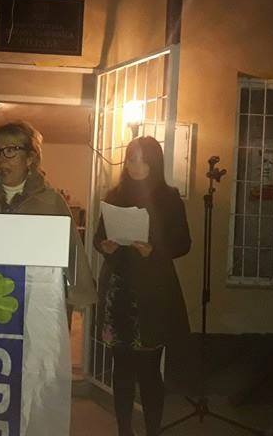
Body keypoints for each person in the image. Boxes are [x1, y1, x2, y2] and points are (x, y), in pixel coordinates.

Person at [94, 136, 191, 436]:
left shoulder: (169, 197)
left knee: (149, 372)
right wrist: (105, 245)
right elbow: (99, 236)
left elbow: (183, 243)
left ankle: (152, 430)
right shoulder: (114, 195)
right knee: (121, 370)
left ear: (154, 163)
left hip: (152, 294)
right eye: (131, 159)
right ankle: (124, 430)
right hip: (119, 291)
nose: (135, 166)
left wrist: (154, 250)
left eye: (142, 160)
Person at [0, 120, 97, 311]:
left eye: (10, 150)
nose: (1, 159)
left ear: (30, 158)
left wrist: (78, 296)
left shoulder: (50, 201)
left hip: (38, 301)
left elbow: (71, 250)